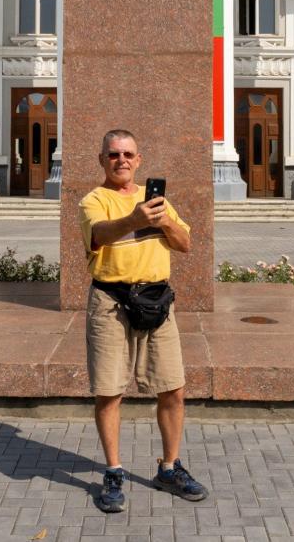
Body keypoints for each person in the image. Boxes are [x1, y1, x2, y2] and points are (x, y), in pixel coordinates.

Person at [78, 129, 207, 513]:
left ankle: (169, 468)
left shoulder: (158, 201)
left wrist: (164, 221)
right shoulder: (93, 200)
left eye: (128, 154)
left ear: (139, 160)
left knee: (173, 388)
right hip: (111, 304)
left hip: (156, 302)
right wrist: (134, 218)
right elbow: (98, 234)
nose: (122, 160)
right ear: (102, 159)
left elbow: (185, 243)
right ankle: (114, 472)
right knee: (109, 391)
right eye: (114, 154)